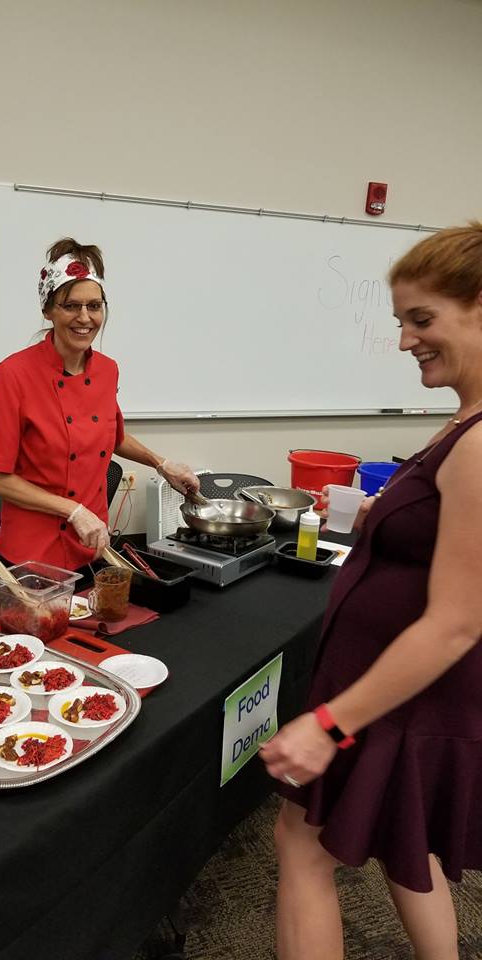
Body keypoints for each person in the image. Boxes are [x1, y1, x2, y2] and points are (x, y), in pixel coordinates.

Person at [259, 221, 482, 960]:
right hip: (393, 689)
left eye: (422, 319)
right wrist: (368, 514)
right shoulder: (463, 422)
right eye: (401, 321)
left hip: (399, 696)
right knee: (404, 841)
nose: (405, 339)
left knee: (302, 844)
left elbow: (456, 622)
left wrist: (328, 725)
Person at [0, 237, 199, 570]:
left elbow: (112, 435)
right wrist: (73, 511)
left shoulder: (107, 370)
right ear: (48, 310)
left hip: (91, 545)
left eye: (94, 306)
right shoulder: (14, 375)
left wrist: (162, 464)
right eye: (71, 306)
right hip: (32, 555)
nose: (85, 317)